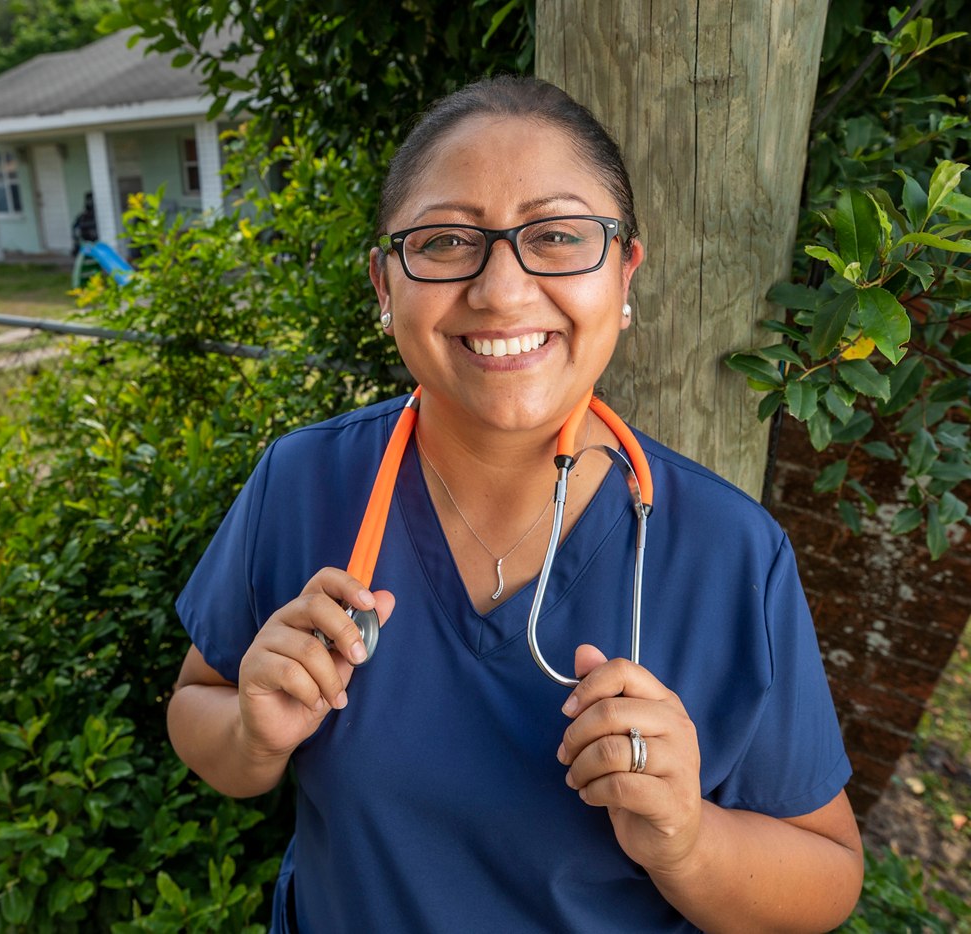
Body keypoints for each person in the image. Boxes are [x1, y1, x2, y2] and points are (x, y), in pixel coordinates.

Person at [167, 76, 864, 934]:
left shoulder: (730, 555)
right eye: (448, 241)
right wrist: (250, 736)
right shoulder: (304, 482)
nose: (501, 290)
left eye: (560, 236)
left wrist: (689, 842)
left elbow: (830, 877)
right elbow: (196, 704)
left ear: (624, 272)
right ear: (387, 284)